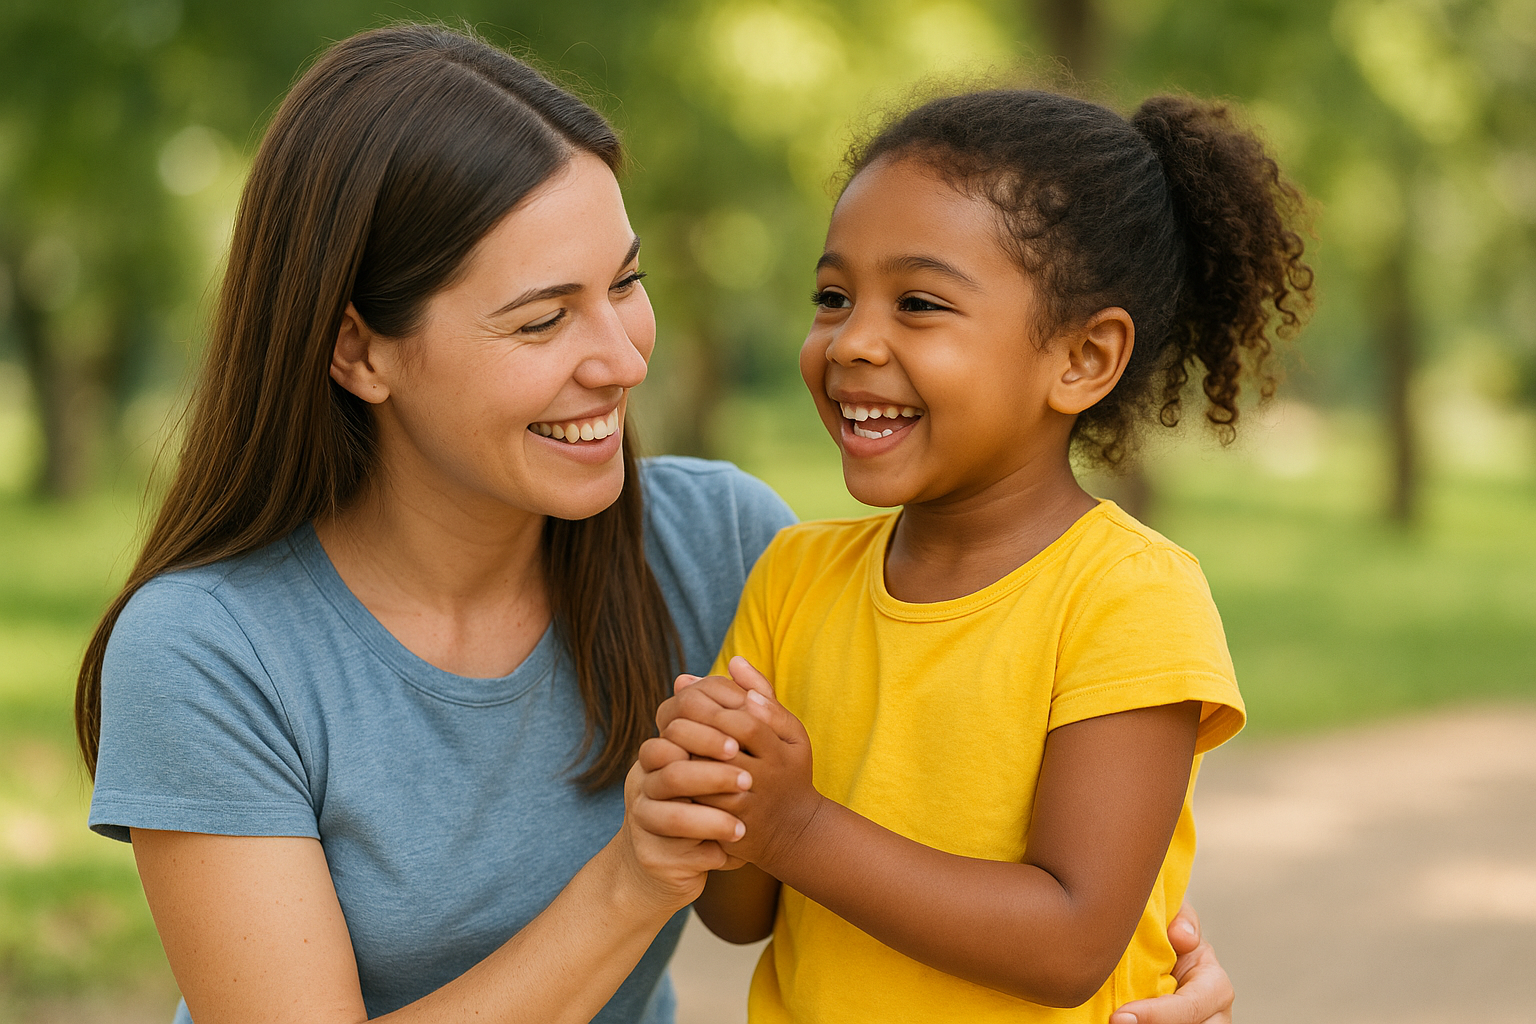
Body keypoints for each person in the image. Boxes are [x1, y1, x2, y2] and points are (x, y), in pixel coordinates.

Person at [74, 25, 1241, 1024]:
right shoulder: (211, 652)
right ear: (358, 349)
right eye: (542, 321)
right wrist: (641, 872)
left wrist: (1153, 967)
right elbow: (777, 861)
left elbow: (962, 817)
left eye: (623, 286)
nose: (621, 358)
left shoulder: (720, 546)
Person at [645, 88, 1312, 1024]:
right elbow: (740, 915)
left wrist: (797, 824)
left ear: (1082, 359)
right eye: (833, 297)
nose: (852, 341)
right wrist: (714, 788)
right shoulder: (797, 575)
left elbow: (1070, 943)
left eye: (918, 304)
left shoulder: (1127, 597)